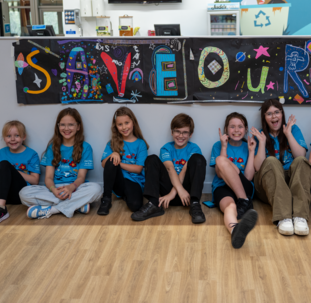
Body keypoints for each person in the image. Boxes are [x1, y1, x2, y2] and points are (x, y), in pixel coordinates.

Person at [19, 108, 102, 219]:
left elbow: (81, 177)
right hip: (54, 189)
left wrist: (70, 188)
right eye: (62, 125)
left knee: (96, 189)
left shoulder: (85, 147)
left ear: (78, 127)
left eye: (71, 125)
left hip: (75, 187)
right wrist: (53, 190)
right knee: (24, 193)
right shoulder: (52, 147)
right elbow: (48, 177)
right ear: (58, 127)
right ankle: (77, 205)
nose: (66, 128)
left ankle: (52, 210)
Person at [131, 113, 206, 223]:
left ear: (190, 134)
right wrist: (173, 193)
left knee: (198, 159)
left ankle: (195, 205)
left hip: (186, 195)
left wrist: (175, 192)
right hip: (167, 194)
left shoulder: (194, 148)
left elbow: (184, 171)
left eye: (185, 132)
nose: (181, 136)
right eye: (177, 131)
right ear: (172, 132)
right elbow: (170, 169)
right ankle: (153, 204)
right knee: (151, 159)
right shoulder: (166, 148)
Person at [251, 98, 311, 236]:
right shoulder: (259, 135)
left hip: (291, 184)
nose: (274, 116)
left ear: (282, 114)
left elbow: (300, 155)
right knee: (271, 160)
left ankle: (300, 217)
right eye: (269, 113)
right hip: (269, 187)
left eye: (277, 112)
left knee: (302, 161)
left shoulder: (293, 130)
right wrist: (262, 142)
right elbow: (258, 168)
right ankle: (283, 217)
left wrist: (288, 134)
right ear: (264, 118)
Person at [210, 112, 258, 249]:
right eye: (232, 127)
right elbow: (219, 175)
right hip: (222, 186)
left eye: (240, 127)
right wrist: (224, 147)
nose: (236, 130)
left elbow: (249, 177)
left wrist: (251, 151)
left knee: (220, 160)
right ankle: (235, 230)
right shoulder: (217, 146)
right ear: (226, 130)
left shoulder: (249, 146)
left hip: (244, 187)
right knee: (229, 207)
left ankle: (244, 200)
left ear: (246, 129)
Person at [97, 107, 148, 215]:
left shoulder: (140, 144)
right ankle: (106, 199)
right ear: (116, 126)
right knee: (111, 159)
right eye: (120, 124)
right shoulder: (112, 143)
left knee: (135, 206)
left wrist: (119, 163)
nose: (124, 127)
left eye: (127, 123)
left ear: (133, 123)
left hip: (134, 181)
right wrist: (113, 154)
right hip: (118, 180)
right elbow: (103, 164)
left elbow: (138, 169)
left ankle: (127, 195)